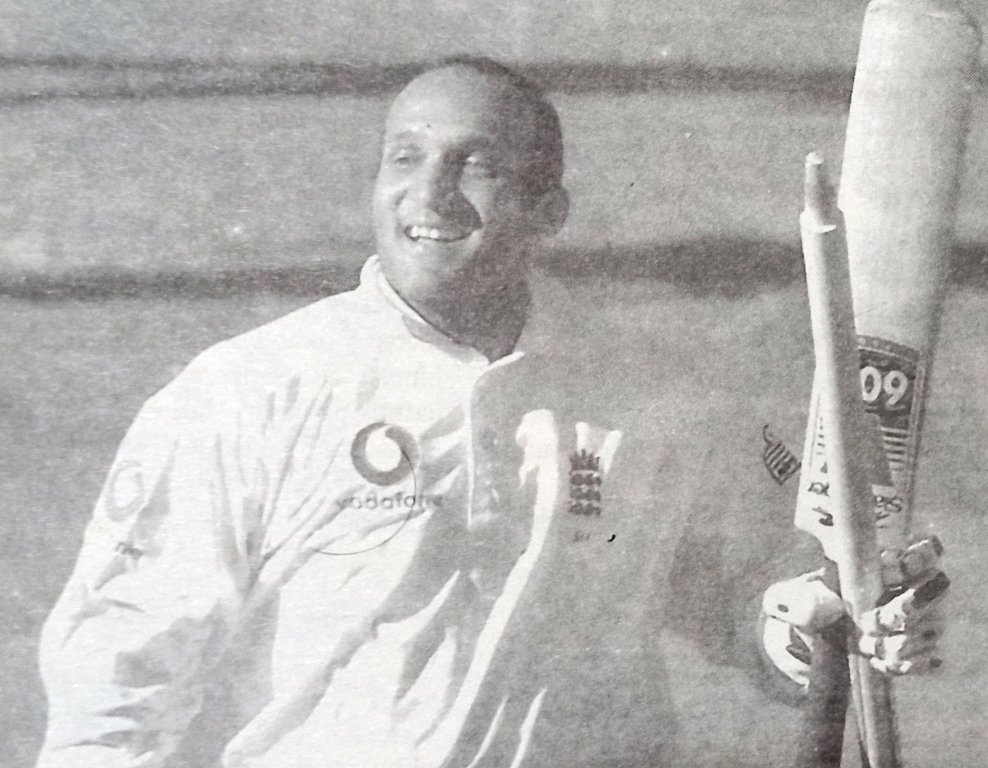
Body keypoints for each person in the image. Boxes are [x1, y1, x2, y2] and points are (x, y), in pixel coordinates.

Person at [35, 57, 946, 768]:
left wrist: (822, 622)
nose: (429, 195)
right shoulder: (247, 392)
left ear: (548, 212)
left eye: (475, 167)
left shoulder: (661, 395)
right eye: (405, 157)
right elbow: (119, 673)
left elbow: (753, 598)